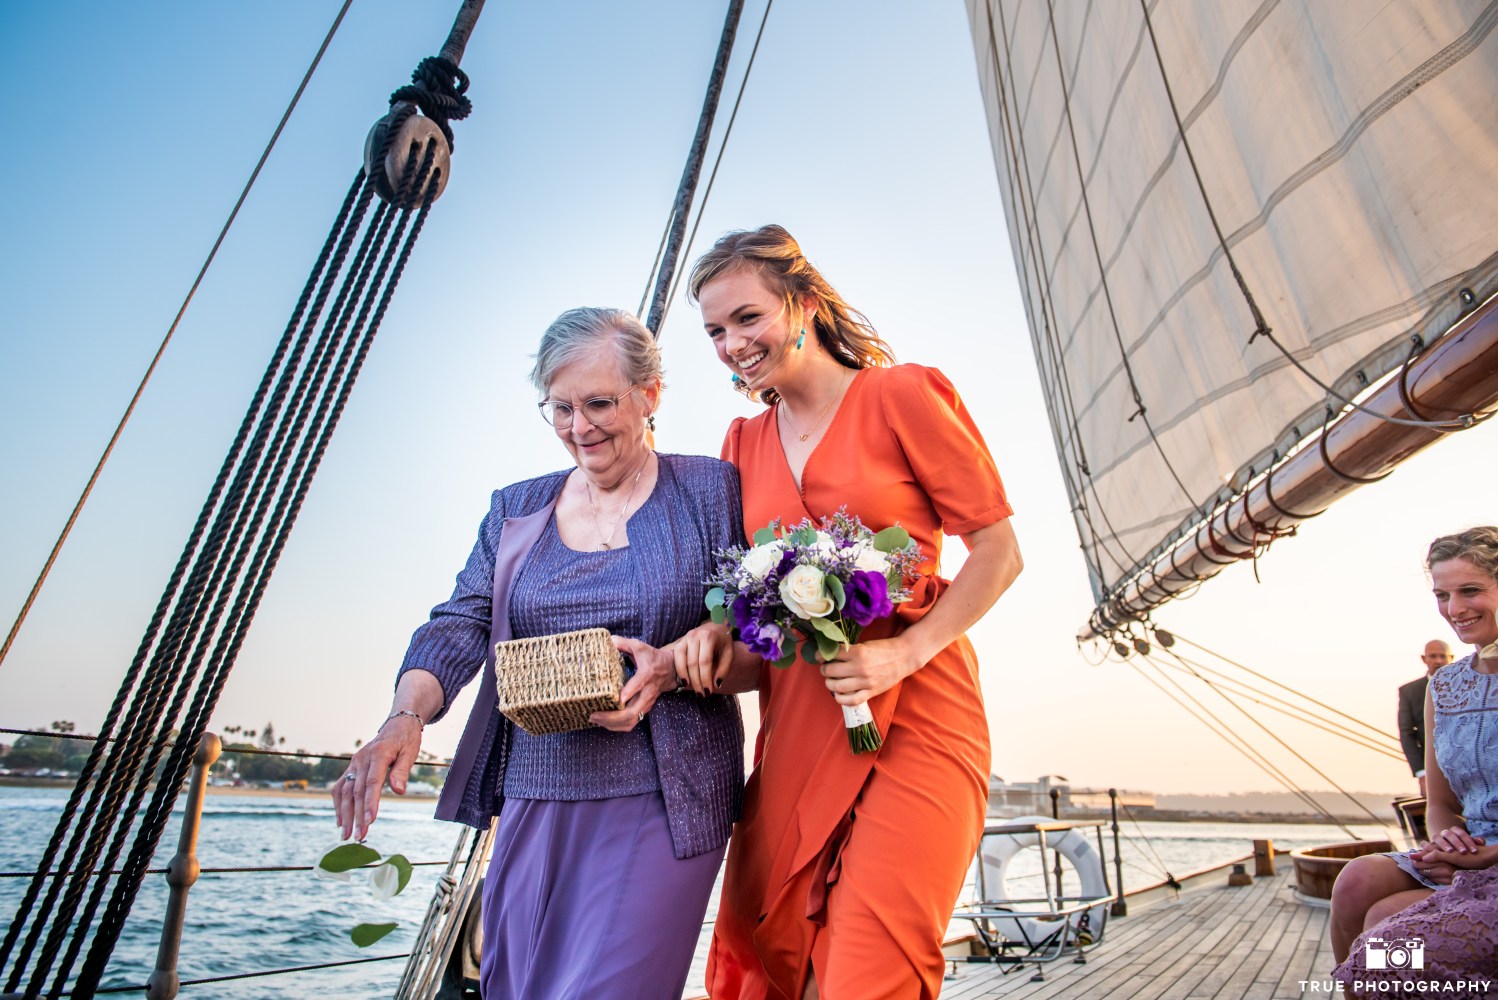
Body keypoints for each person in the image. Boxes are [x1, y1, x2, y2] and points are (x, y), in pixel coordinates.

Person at [331, 307, 745, 1000]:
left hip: (668, 797)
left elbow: (752, 622)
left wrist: (678, 662)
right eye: (560, 408)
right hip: (534, 793)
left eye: (601, 403)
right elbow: (459, 623)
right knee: (518, 987)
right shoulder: (514, 510)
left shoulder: (710, 491)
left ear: (652, 395)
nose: (580, 428)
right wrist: (404, 716)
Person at [677, 225, 1024, 1000]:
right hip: (798, 728)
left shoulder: (902, 395)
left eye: (746, 317)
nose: (731, 344)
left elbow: (999, 551)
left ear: (801, 304)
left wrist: (902, 654)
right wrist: (707, 642)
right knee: (781, 966)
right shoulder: (741, 443)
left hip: (918, 714)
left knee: (873, 968)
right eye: (714, 331)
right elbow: (744, 621)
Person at [1329, 527, 1498, 974]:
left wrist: (1488, 857)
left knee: (1386, 926)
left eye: (1470, 590)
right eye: (1443, 595)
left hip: (1490, 858)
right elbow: (1440, 804)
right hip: (1470, 853)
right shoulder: (1443, 687)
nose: (1454, 609)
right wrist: (1446, 841)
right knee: (1356, 881)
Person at [1398, 640, 1452, 794]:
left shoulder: (1465, 686)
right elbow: (1406, 733)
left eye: (1442, 656)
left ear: (1451, 658)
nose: (1438, 661)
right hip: (1430, 767)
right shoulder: (1409, 692)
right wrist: (1422, 773)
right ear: (1424, 659)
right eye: (1433, 656)